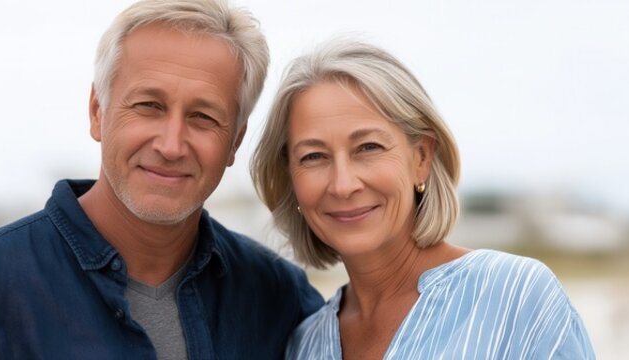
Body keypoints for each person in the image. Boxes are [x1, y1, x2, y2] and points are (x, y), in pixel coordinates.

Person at [0, 1, 324, 358]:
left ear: (235, 142)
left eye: (203, 117)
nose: (171, 144)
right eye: (149, 106)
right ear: (97, 111)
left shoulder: (279, 298)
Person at [251, 38, 596, 359]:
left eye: (368, 147)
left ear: (421, 158)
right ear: (290, 177)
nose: (342, 185)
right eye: (313, 156)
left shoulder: (516, 296)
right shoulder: (304, 344)